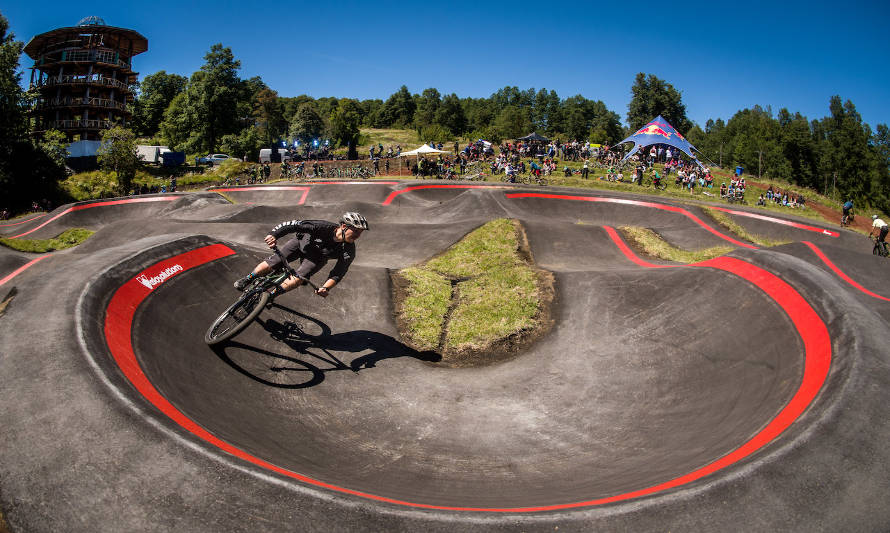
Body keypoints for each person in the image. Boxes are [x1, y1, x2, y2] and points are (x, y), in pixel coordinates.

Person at [232, 212, 369, 299]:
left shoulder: (349, 250)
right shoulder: (321, 227)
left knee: (299, 279)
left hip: (317, 259)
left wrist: (326, 288)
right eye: (356, 231)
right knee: (274, 262)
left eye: (361, 233)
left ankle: (271, 296)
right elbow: (292, 225)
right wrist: (273, 235)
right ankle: (249, 278)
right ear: (344, 226)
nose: (358, 236)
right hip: (300, 244)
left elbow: (339, 272)